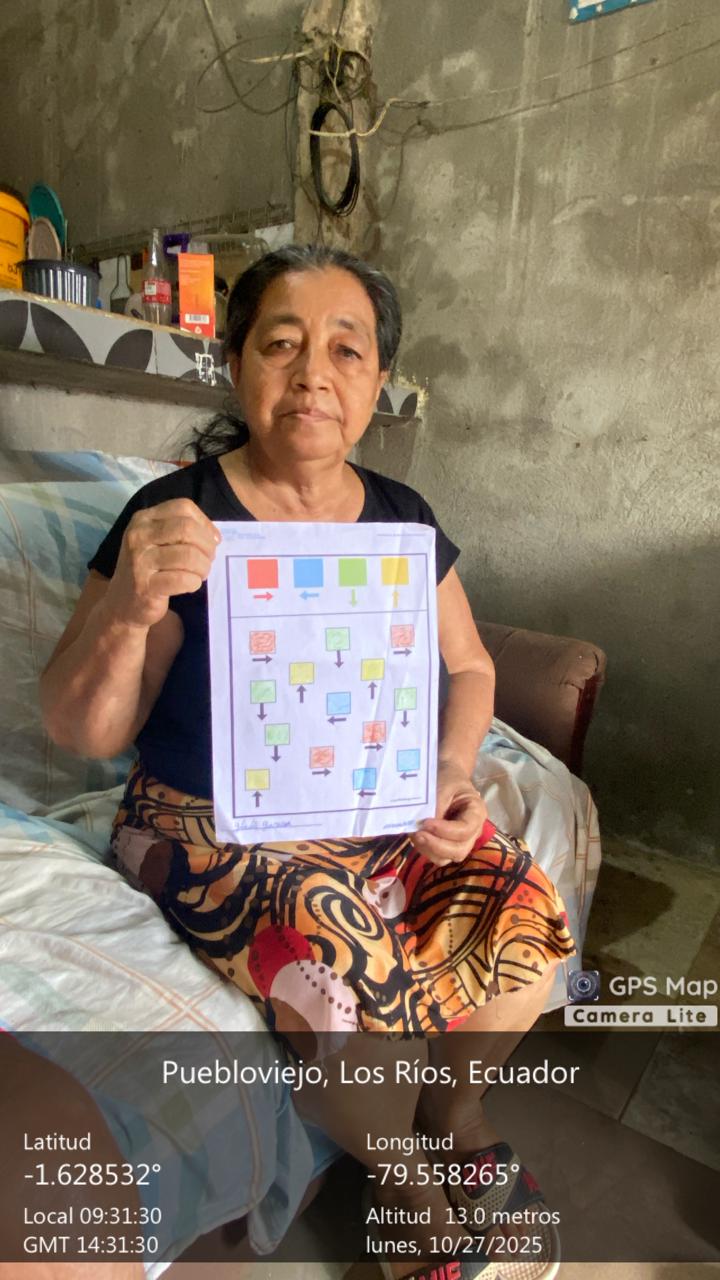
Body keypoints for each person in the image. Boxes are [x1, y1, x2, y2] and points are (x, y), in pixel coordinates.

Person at [40, 244, 574, 1280]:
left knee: (521, 908)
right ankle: (408, 1188)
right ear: (236, 363)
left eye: (346, 349)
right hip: (211, 821)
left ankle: (451, 1115)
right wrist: (128, 608)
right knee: (329, 972)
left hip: (374, 804)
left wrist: (452, 771)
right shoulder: (175, 517)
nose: (313, 375)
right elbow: (83, 730)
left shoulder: (402, 519)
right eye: (282, 344)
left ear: (378, 380)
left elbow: (469, 665)